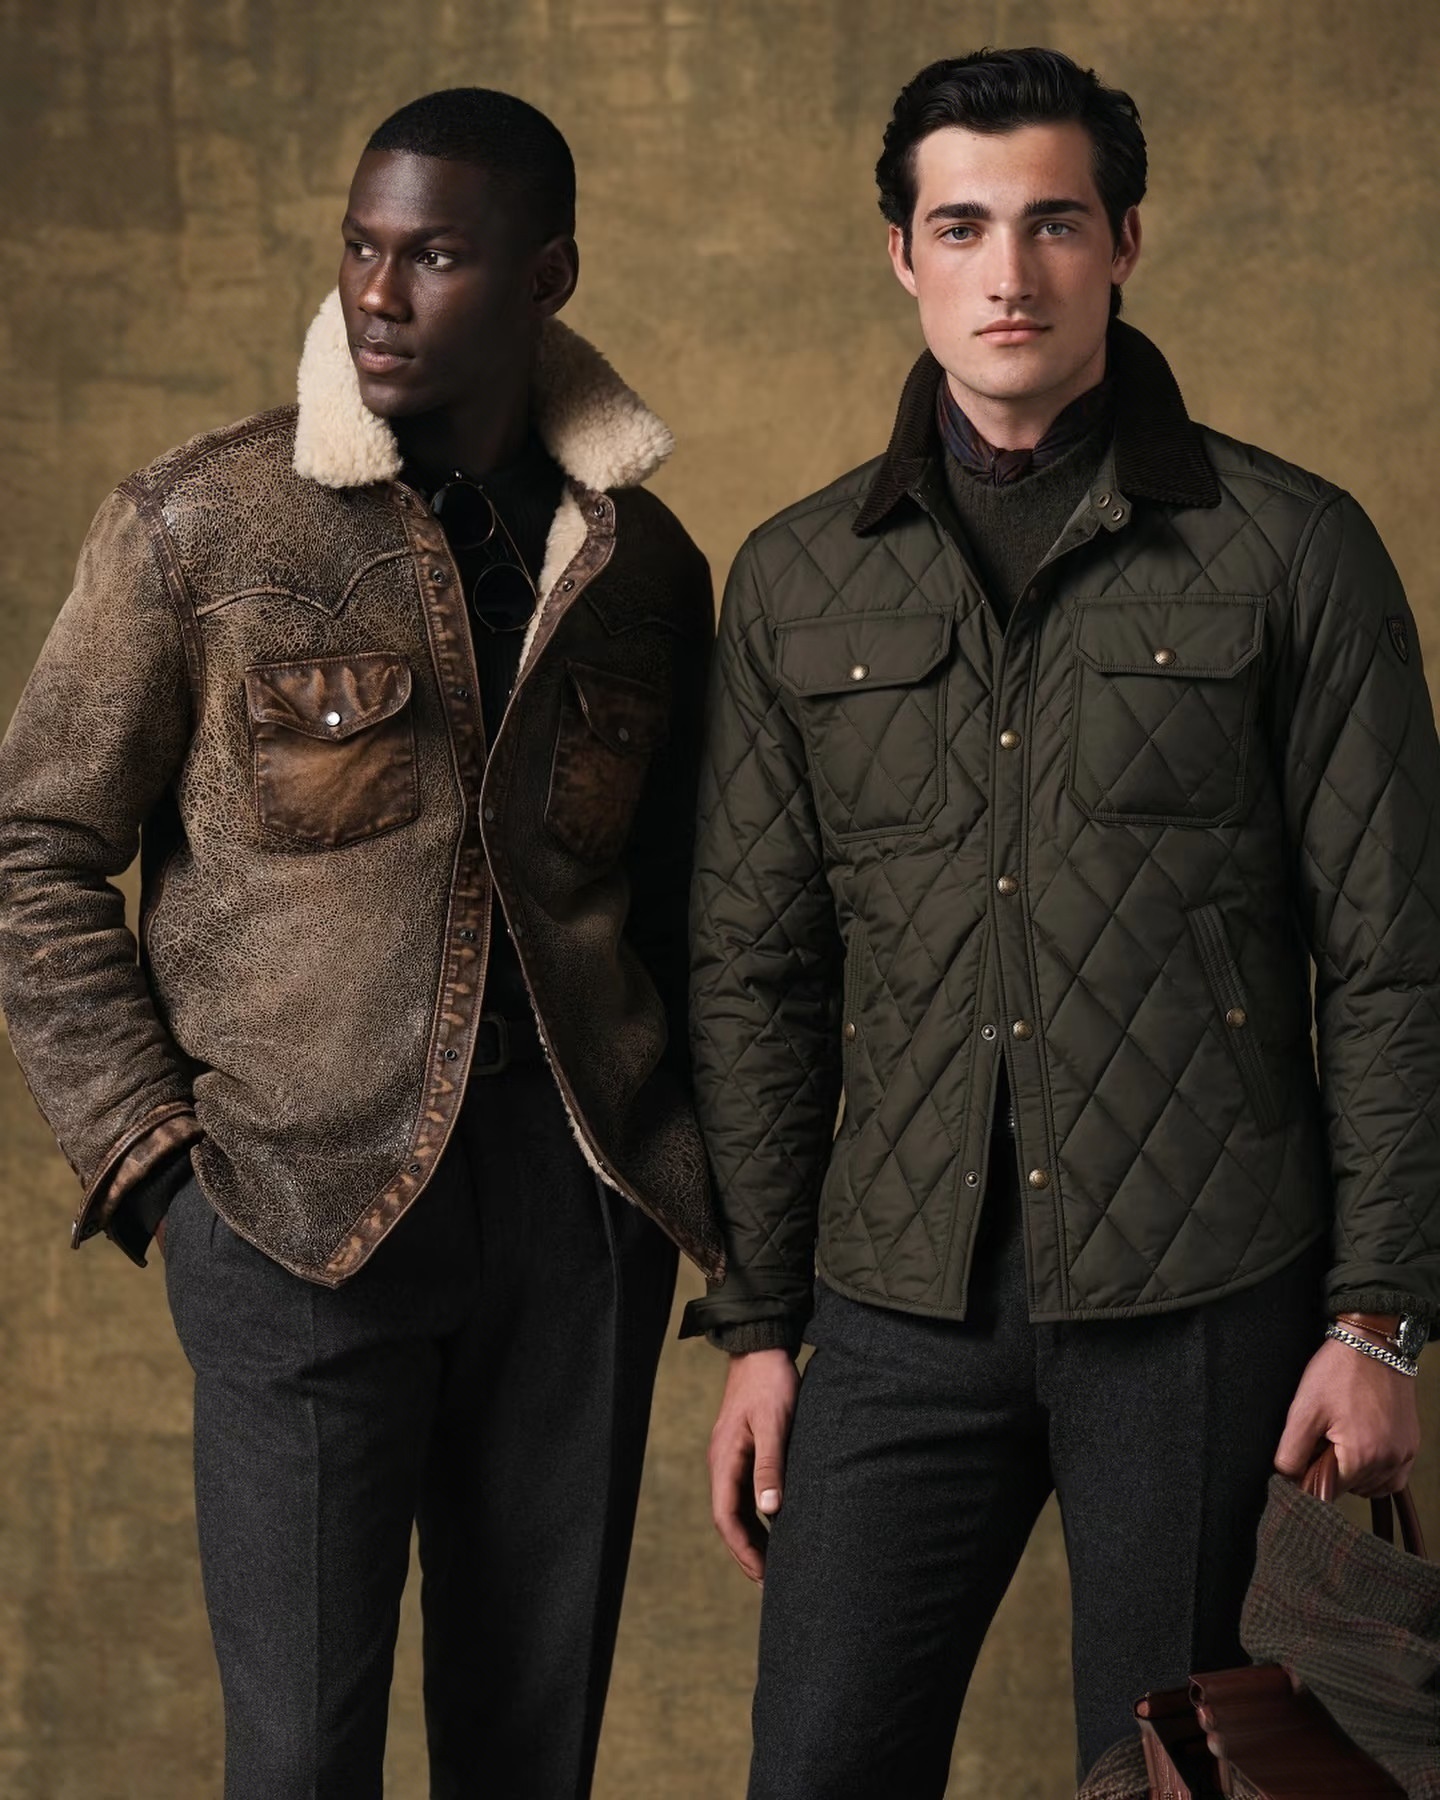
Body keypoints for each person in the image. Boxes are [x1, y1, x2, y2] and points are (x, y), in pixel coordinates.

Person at [683, 46, 1440, 1793]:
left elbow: (1396, 962)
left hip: (1205, 1297)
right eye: (962, 227)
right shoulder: (796, 579)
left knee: (1178, 1779)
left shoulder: (1293, 550)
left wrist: (1379, 1316)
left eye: (1055, 223)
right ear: (902, 254)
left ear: (1125, 243)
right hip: (896, 1302)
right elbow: (754, 974)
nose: (1008, 272)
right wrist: (761, 1325)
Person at [0, 86, 720, 1800]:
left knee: (529, 1754)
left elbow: (691, 906)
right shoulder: (203, 527)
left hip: (575, 1224)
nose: (379, 294)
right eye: (362, 248)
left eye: (436, 257)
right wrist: (157, 1164)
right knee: (302, 1760)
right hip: (290, 1212)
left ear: (544, 277)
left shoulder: (643, 567)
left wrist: (696, 1198)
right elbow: (35, 849)